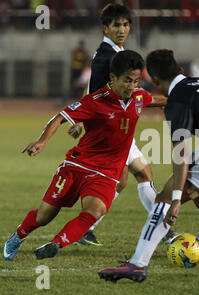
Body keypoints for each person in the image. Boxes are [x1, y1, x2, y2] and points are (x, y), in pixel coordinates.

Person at [98, 49, 199, 282]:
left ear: (155, 81)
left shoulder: (177, 99)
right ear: (180, 70)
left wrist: (175, 198)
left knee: (163, 199)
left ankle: (137, 264)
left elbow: (181, 153)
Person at [2, 50, 165, 261]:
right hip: (77, 165)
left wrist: (186, 100)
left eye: (135, 81)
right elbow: (60, 117)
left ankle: (56, 243)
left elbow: (159, 100)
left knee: (95, 211)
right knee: (44, 216)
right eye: (127, 81)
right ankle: (18, 236)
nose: (131, 86)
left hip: (107, 172)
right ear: (113, 78)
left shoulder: (138, 96)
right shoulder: (95, 101)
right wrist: (42, 141)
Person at [69, 3, 172, 246]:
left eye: (126, 24)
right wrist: (81, 120)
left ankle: (87, 226)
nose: (122, 29)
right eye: (116, 25)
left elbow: (92, 89)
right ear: (105, 28)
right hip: (111, 129)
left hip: (116, 126)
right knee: (144, 174)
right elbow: (95, 92)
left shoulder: (112, 53)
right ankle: (163, 230)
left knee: (122, 180)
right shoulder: (106, 56)